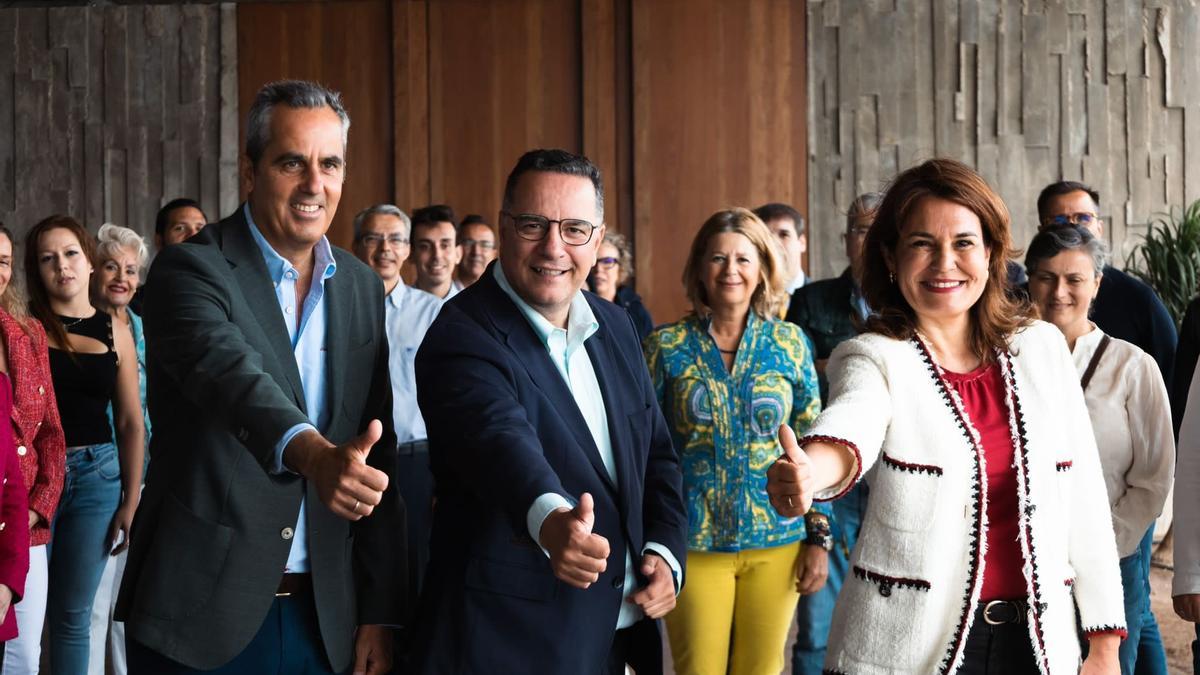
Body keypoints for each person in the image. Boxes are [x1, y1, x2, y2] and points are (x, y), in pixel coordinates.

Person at [765, 159, 1126, 674]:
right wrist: (810, 471)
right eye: (921, 244)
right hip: (907, 646)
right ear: (890, 256)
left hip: (1040, 644)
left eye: (962, 243)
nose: (944, 263)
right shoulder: (873, 355)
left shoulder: (1042, 348)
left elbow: (1084, 499)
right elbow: (853, 421)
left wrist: (1105, 640)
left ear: (990, 252)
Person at [113, 80, 405, 675]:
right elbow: (231, 377)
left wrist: (380, 612)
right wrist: (314, 455)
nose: (313, 186)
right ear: (251, 171)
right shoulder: (191, 267)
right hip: (200, 614)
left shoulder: (358, 287)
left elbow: (379, 451)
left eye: (330, 164)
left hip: (324, 619)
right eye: (291, 162)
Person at [410, 149, 687, 674]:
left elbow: (656, 457)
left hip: (624, 636)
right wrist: (552, 520)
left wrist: (666, 552)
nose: (554, 247)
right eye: (534, 224)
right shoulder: (461, 334)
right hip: (513, 643)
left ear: (598, 239)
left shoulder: (618, 325)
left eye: (575, 229)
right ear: (504, 227)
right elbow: (500, 443)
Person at [644, 208, 828, 675]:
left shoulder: (790, 343)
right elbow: (645, 449)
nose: (731, 270)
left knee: (762, 669)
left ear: (764, 269)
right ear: (699, 269)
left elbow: (815, 439)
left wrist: (819, 538)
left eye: (744, 259)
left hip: (779, 540)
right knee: (698, 670)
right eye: (718, 258)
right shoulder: (666, 347)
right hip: (694, 542)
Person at [1026, 225, 1172, 675]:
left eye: (1074, 279)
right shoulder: (1005, 358)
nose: (1059, 291)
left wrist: (1099, 544)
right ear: (1028, 280)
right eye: (1046, 277)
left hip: (1112, 559)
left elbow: (1153, 477)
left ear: (1097, 283)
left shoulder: (1132, 366)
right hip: (1028, 561)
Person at [23, 215, 144, 675]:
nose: (62, 266)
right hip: (35, 483)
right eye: (48, 258)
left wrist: (131, 501)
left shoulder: (116, 331)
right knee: (26, 618)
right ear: (37, 270)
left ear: (90, 263)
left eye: (71, 254)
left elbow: (132, 423)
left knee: (74, 619)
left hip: (98, 480)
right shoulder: (24, 328)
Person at [784, 191, 881, 675]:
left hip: (892, 473)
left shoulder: (912, 298)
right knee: (817, 624)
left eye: (879, 227)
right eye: (859, 228)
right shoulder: (811, 300)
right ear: (846, 239)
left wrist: (833, 362)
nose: (869, 237)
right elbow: (792, 378)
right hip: (827, 474)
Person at [350, 203, 440, 660]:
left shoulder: (434, 312)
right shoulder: (335, 307)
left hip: (417, 459)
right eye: (373, 238)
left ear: (407, 250)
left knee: (418, 570)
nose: (384, 249)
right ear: (356, 245)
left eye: (395, 240)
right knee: (361, 570)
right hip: (350, 459)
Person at [87, 224, 152, 675]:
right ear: (93, 270)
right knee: (93, 603)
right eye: (111, 266)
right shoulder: (83, 323)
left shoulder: (143, 326)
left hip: (144, 471)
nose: (122, 277)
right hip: (97, 472)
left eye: (131, 270)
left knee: (128, 603)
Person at [1036, 181, 1177, 388]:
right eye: (1059, 220)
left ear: (1099, 228)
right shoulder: (1018, 300)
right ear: (1042, 230)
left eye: (1083, 218)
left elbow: (1170, 378)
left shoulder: (1139, 299)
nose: (1072, 227)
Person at [0, 224, 43, 668]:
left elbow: (51, 432)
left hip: (23, 517)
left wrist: (37, 507)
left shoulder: (27, 333)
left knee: (25, 657)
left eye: (4, 261)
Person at [131, 199, 208, 316]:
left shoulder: (227, 295)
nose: (193, 235)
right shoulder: (137, 305)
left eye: (200, 228)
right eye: (180, 228)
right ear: (159, 241)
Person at [588, 232, 653, 343]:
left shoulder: (634, 309)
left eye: (607, 262)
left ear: (621, 268)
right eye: (593, 262)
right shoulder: (576, 305)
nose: (598, 269)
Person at [753, 202, 807, 296]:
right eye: (766, 236)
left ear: (802, 243)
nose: (774, 244)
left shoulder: (823, 299)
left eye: (784, 235)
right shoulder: (745, 299)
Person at [411, 204, 462, 301]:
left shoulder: (473, 310)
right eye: (425, 246)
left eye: (445, 245)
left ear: (458, 253)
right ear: (411, 254)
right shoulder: (392, 311)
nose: (437, 255)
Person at [455, 214, 496, 288]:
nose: (476, 252)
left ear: (494, 254)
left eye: (484, 244)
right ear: (456, 250)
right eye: (468, 243)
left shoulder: (501, 298)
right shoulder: (444, 298)